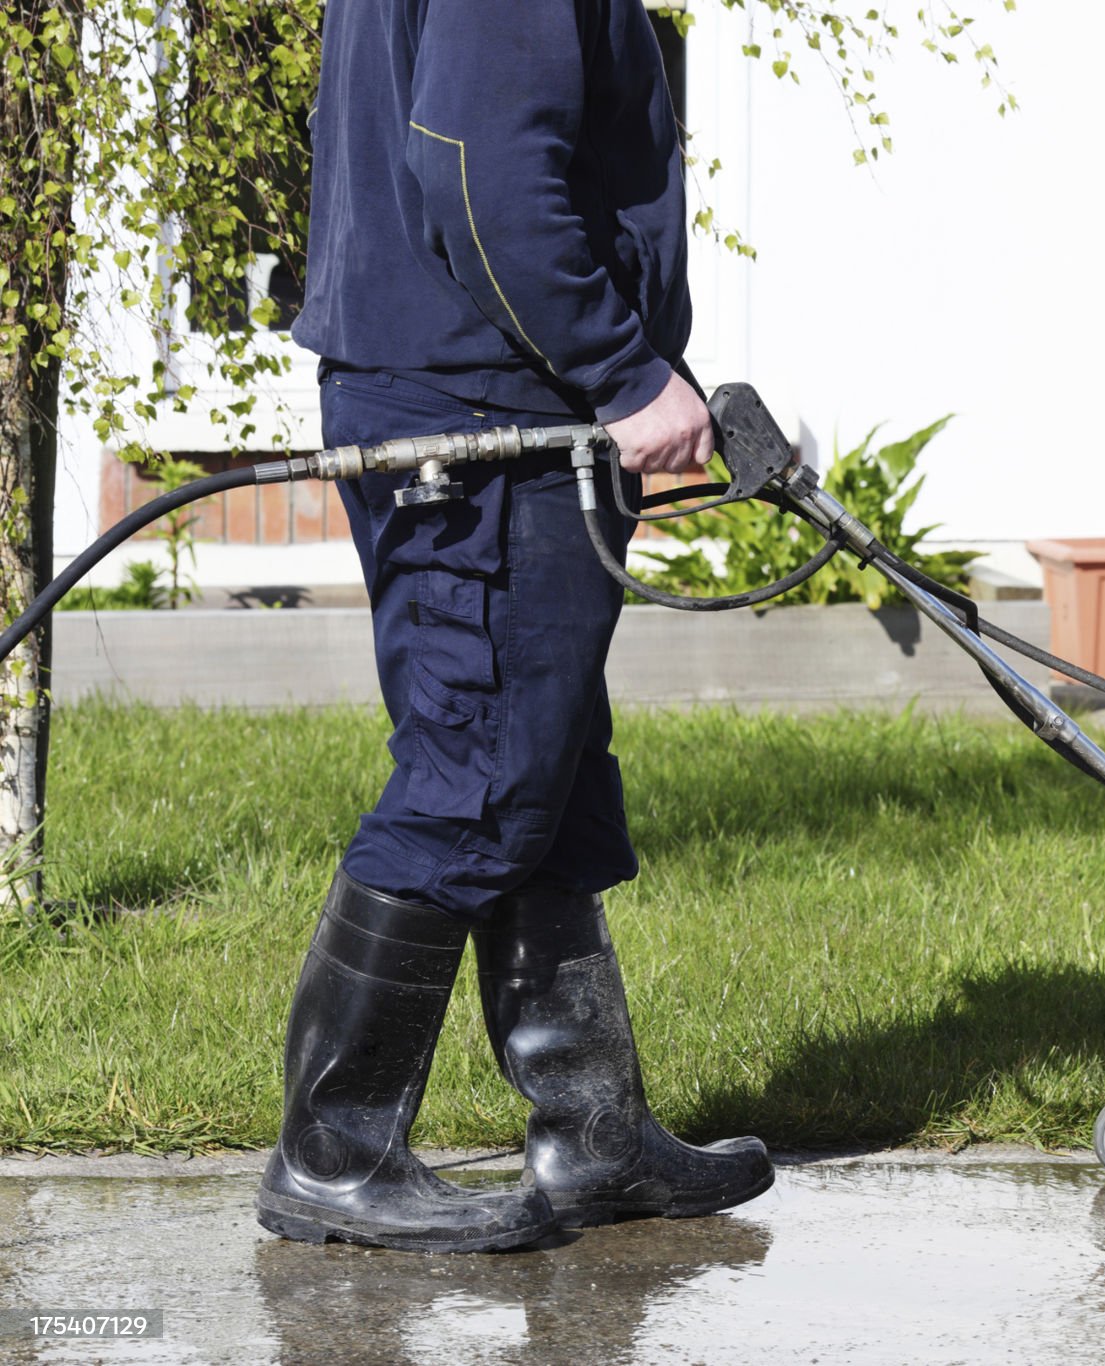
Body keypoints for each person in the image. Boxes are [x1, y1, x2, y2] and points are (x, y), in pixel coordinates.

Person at [258, 0, 771, 1252]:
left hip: (474, 395)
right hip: (484, 417)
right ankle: (334, 1154)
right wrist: (624, 370)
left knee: (542, 768)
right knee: (476, 775)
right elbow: (479, 164)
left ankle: (591, 1139)